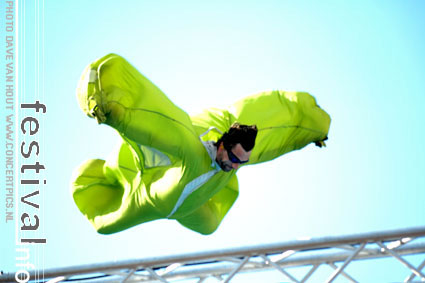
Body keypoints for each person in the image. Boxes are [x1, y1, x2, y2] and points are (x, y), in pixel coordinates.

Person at [72, 53, 331, 235]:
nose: (235, 165)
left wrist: (313, 128)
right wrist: (110, 110)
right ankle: (96, 181)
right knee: (104, 225)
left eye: (241, 162)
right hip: (150, 194)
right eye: (233, 158)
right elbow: (154, 120)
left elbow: (277, 125)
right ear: (221, 146)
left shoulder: (233, 163)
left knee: (209, 226)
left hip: (190, 207)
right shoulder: (191, 150)